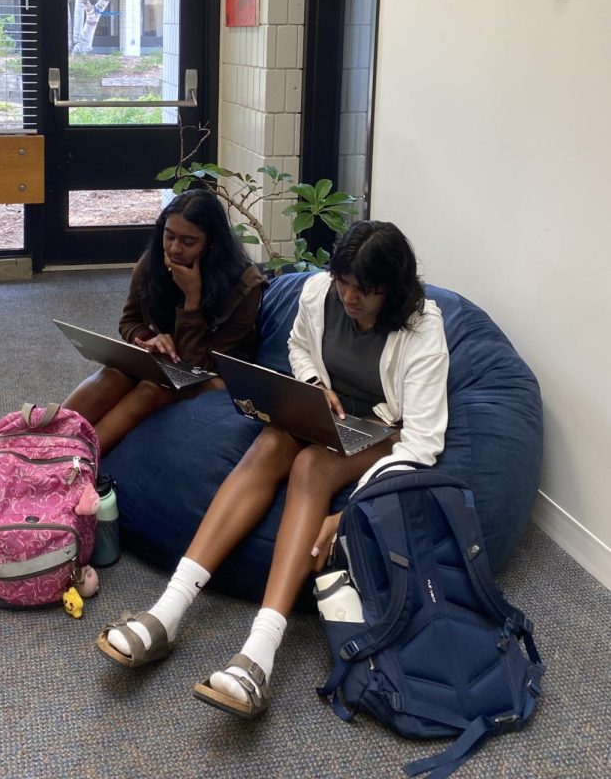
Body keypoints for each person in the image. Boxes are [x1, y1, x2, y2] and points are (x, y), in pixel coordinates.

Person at [95, 220, 449, 720]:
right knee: (269, 444)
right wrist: (310, 384)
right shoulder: (318, 293)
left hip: (379, 429)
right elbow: (300, 348)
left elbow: (424, 442)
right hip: (324, 409)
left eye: (365, 292)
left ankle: (260, 653)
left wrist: (352, 513)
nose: (349, 298)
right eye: (344, 283)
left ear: (391, 289)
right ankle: (168, 611)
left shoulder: (423, 331)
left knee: (309, 467)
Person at [62, 188, 266, 454]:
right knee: (114, 374)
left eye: (188, 241)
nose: (174, 248)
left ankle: (77, 462)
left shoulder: (245, 287)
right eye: (169, 236)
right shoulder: (154, 263)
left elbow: (200, 365)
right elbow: (129, 321)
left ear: (211, 243)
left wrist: (192, 299)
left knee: (151, 389)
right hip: (164, 365)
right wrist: (148, 340)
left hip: (216, 378)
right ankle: (40, 444)